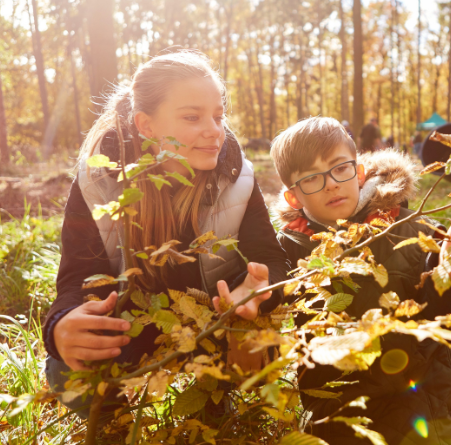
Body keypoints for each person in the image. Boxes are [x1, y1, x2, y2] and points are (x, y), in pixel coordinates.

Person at [269, 117, 451, 445]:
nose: (330, 183)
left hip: (433, 419)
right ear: (293, 197)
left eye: (339, 168)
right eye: (312, 178)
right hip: (344, 429)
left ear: (358, 173)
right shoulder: (285, 258)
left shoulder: (413, 232)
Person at [43, 50, 291, 418]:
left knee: (256, 346)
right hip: (130, 330)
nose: (214, 129)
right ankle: (111, 426)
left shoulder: (238, 178)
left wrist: (260, 290)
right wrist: (60, 326)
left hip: (213, 328)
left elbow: (269, 259)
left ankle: (211, 410)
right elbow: (77, 277)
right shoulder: (100, 183)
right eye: (192, 117)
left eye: (218, 116)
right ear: (147, 126)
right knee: (68, 370)